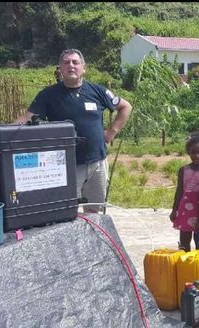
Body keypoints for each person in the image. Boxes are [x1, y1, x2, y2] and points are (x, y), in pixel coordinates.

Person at [14, 49, 132, 213]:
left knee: (94, 211)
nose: (71, 66)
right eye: (66, 62)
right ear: (60, 69)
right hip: (66, 165)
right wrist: (2, 132)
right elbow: (27, 118)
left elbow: (125, 106)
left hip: (97, 163)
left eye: (75, 62)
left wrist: (112, 132)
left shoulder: (98, 91)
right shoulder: (48, 95)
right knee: (68, 212)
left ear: (84, 68)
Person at [170, 134, 199, 251]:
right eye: (193, 152)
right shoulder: (184, 170)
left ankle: (198, 265)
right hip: (185, 209)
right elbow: (179, 190)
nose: (197, 155)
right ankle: (185, 265)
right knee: (184, 240)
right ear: (188, 152)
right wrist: (174, 209)